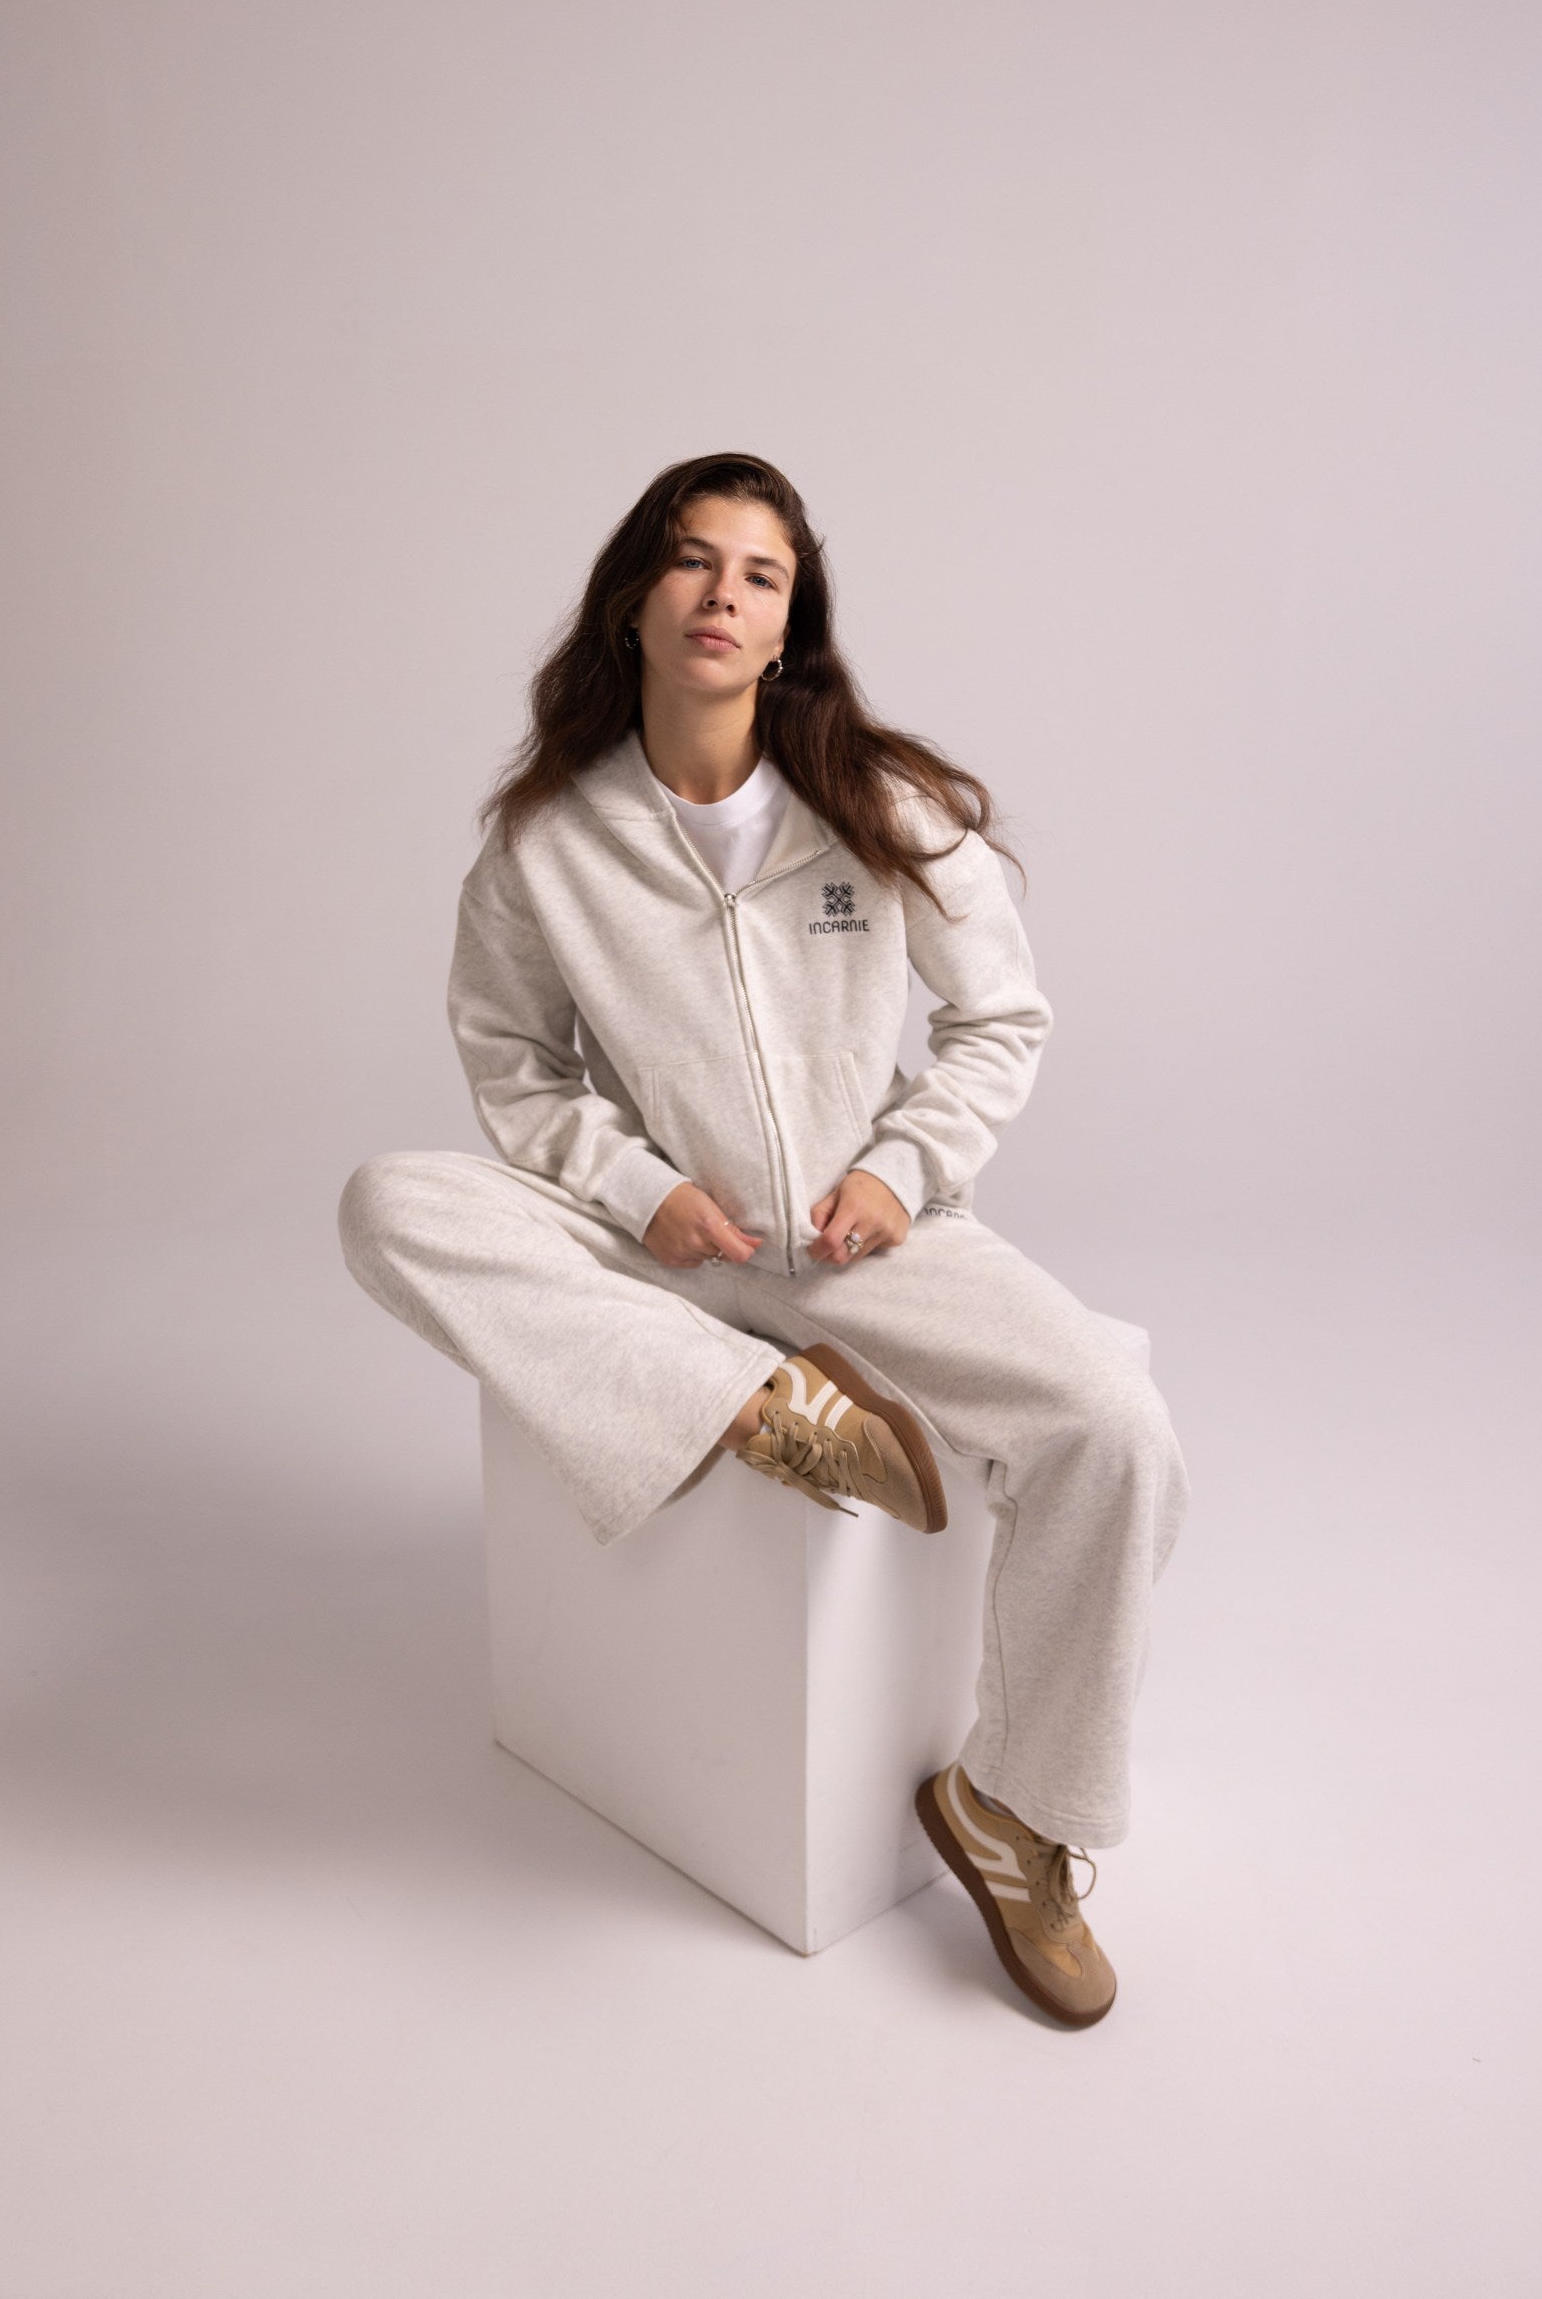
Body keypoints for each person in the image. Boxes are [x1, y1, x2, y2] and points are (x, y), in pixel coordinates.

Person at [338, 451, 1190, 2027]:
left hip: (875, 1250)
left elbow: (1001, 1015)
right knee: (393, 1200)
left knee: (1118, 1429)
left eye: (759, 575)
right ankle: (751, 1406)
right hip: (672, 1249)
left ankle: (1020, 1814)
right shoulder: (545, 844)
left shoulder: (880, 807)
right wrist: (633, 1188)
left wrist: (901, 1166)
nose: (721, 594)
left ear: (789, 627)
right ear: (633, 604)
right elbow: (513, 1065)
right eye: (690, 562)